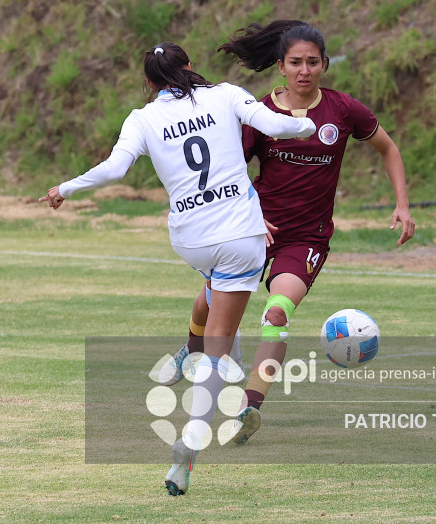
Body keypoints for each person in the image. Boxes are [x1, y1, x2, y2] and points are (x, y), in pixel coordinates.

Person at [39, 41, 316, 495]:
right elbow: (275, 126)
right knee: (218, 347)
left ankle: (210, 358)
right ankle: (189, 446)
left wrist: (64, 188)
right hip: (241, 236)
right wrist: (310, 125)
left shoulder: (142, 117)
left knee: (216, 290)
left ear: (149, 84)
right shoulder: (225, 93)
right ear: (190, 67)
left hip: (189, 239)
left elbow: (113, 169)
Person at [162, 20, 416, 445]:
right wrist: (249, 215)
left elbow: (388, 147)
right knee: (208, 302)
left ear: (324, 65)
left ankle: (249, 408)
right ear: (280, 66)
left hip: (307, 238)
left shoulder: (343, 111)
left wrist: (402, 204)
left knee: (277, 313)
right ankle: (191, 347)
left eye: (312, 62)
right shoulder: (259, 114)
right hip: (252, 231)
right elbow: (229, 171)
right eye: (296, 62)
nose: (304, 70)